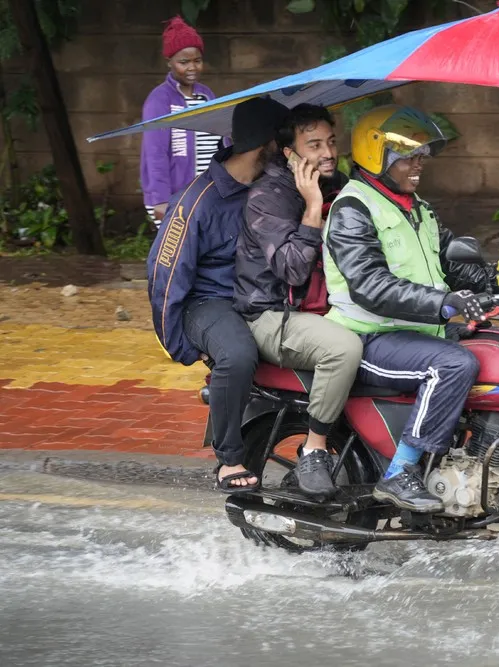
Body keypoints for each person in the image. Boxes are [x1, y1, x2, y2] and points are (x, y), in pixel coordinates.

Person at [323, 105, 498, 513]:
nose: (420, 163)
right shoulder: (353, 209)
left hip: (414, 332)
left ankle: (465, 460)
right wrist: (443, 304)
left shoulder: (416, 207)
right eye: (409, 155)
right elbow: (370, 285)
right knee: (453, 365)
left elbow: (450, 262)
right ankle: (399, 473)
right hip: (367, 337)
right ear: (375, 154)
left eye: (422, 155)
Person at [147, 96, 291, 493]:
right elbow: (165, 277)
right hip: (208, 303)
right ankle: (230, 458)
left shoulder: (273, 186)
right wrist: (182, 346)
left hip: (259, 297)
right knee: (238, 353)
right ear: (269, 145)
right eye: (287, 141)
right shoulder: (196, 201)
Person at [234, 104, 362, 497]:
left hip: (324, 307)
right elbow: (292, 271)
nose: (327, 152)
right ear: (289, 153)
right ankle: (314, 447)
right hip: (273, 315)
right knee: (343, 349)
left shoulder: (339, 184)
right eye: (314, 145)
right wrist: (311, 207)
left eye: (331, 142)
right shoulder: (267, 198)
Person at [140, 16, 222, 229]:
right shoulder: (159, 100)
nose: (192, 67)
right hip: (173, 197)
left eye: (197, 60)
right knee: (176, 256)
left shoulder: (206, 95)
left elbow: (220, 139)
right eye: (183, 62)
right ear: (169, 63)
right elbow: (155, 154)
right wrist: (160, 199)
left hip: (206, 193)